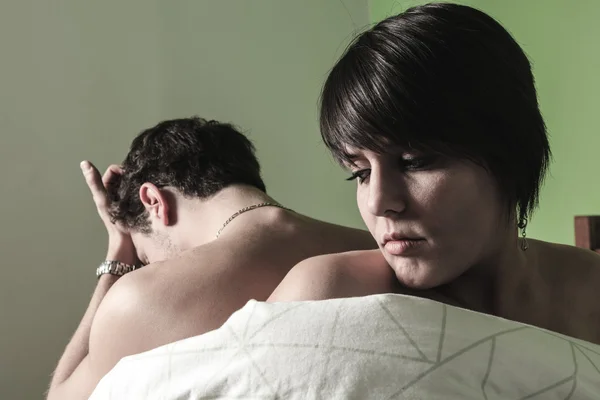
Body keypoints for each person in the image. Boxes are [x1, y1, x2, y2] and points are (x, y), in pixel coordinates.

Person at [269, 3, 600, 344]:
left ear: (511, 154)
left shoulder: (591, 291)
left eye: (414, 162)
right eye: (361, 173)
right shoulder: (327, 296)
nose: (378, 202)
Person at [46, 117, 376, 400]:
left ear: (153, 200)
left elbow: (60, 397)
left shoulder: (138, 298)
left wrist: (119, 252)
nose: (149, 268)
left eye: (144, 258)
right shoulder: (379, 251)